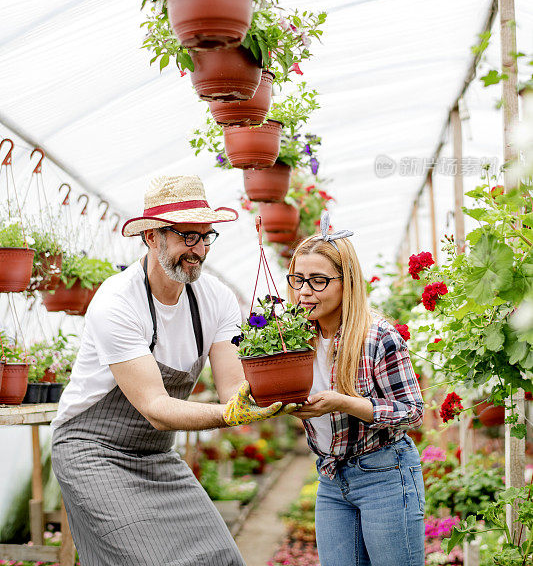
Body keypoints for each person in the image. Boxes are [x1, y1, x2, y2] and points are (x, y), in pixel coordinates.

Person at [51, 175, 292, 566]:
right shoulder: (117, 302)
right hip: (93, 452)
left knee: (221, 557)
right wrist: (229, 415)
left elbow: (233, 387)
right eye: (186, 236)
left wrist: (276, 394)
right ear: (151, 237)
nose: (197, 250)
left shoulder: (215, 300)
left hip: (155, 454)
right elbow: (156, 409)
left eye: (205, 236)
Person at [288, 212, 425, 566]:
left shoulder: (376, 335)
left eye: (318, 280)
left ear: (346, 281)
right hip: (331, 477)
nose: (304, 291)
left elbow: (412, 410)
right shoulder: (294, 337)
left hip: (384, 474)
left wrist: (345, 403)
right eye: (298, 279)